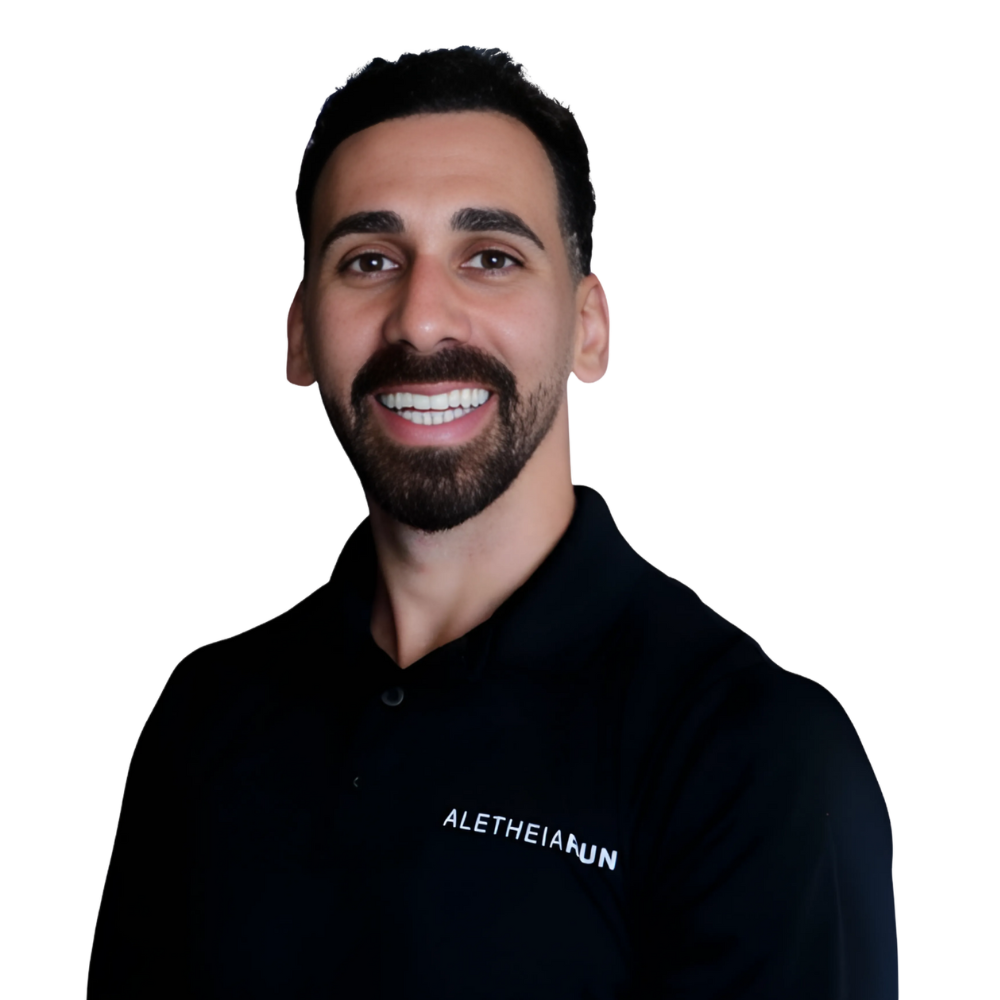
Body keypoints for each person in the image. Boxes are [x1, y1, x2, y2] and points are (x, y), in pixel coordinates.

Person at [86, 46, 899, 998]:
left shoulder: (754, 751)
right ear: (300, 334)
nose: (422, 320)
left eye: (491, 257)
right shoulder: (205, 715)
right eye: (370, 260)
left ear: (591, 327)